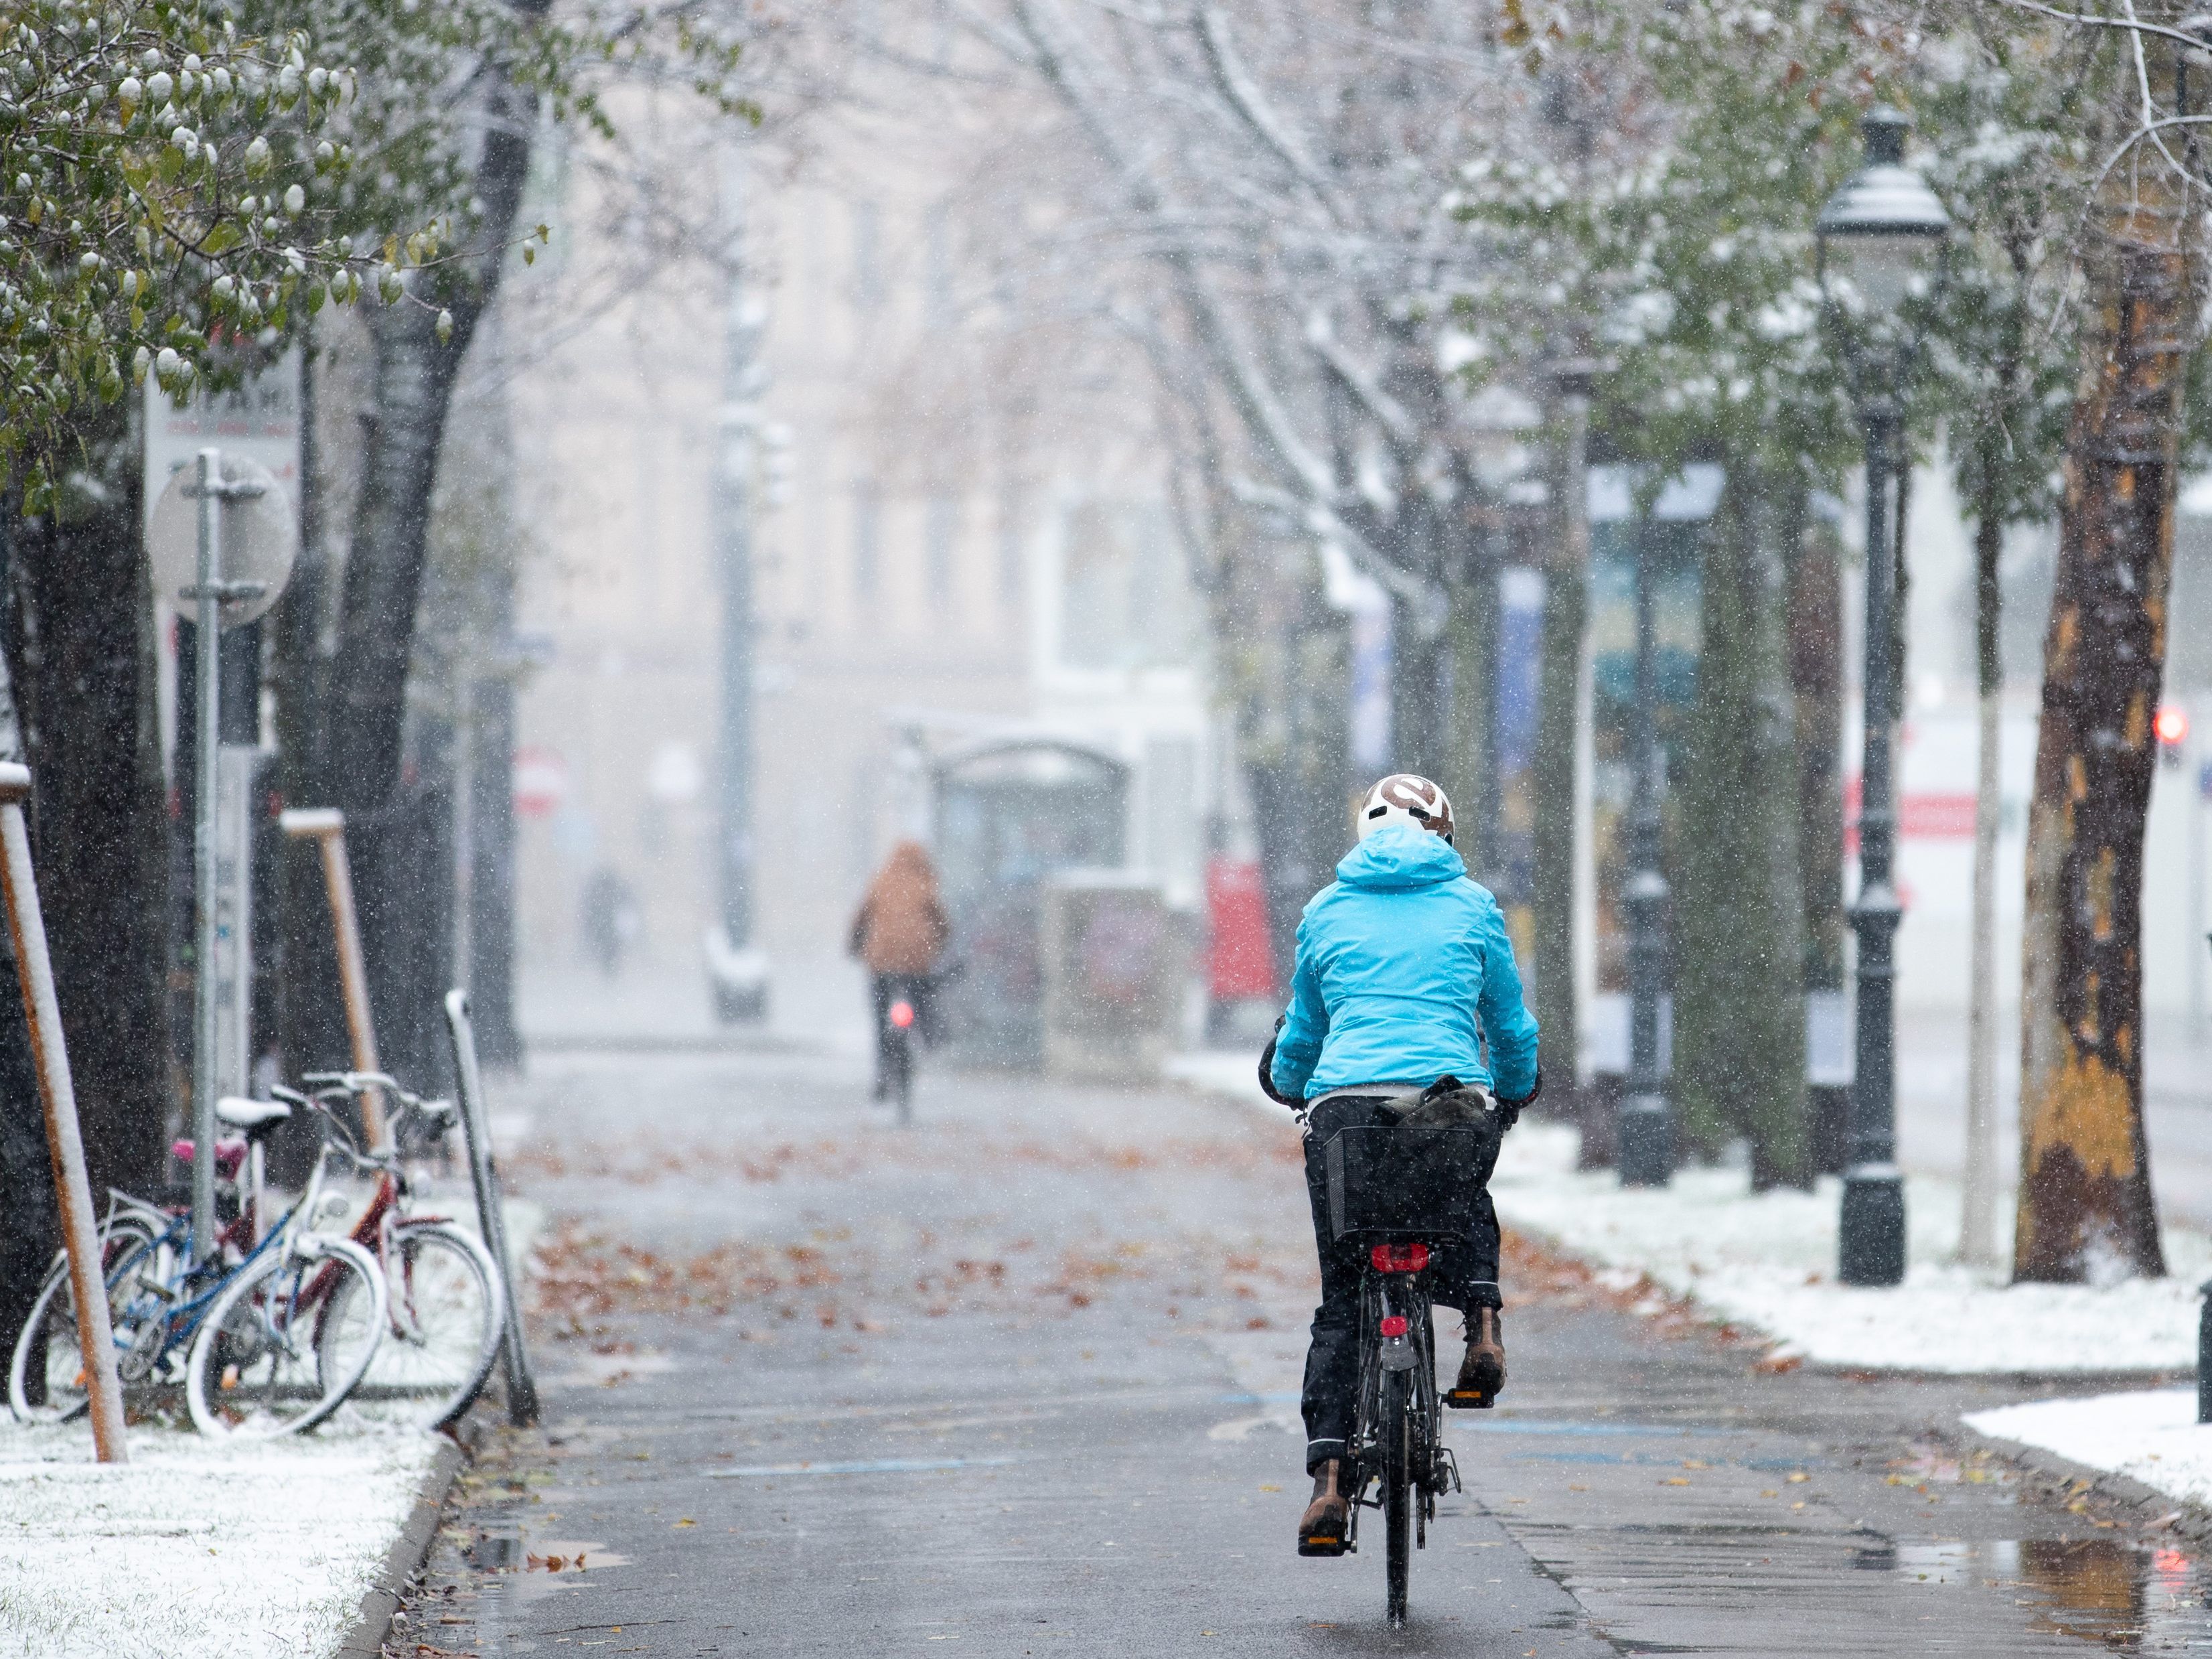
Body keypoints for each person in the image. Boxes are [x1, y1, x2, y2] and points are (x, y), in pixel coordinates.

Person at [1263, 773, 1540, 1559]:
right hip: (1446, 1099)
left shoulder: (1326, 909)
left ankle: (1329, 1482)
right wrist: (1514, 1089)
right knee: (1461, 1192)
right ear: (1444, 835)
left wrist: (1290, 1080)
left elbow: (1304, 1029)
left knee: (1343, 1296)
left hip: (1346, 1109)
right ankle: (1481, 1320)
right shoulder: (1475, 906)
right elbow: (1509, 1022)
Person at [848, 841, 952, 1098]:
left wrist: (855, 945)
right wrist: (941, 942)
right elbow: (941, 921)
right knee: (921, 998)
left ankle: (883, 1072)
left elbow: (861, 917)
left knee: (881, 1018)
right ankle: (928, 1036)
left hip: (881, 960)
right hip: (916, 961)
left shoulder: (881, 881)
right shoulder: (924, 884)